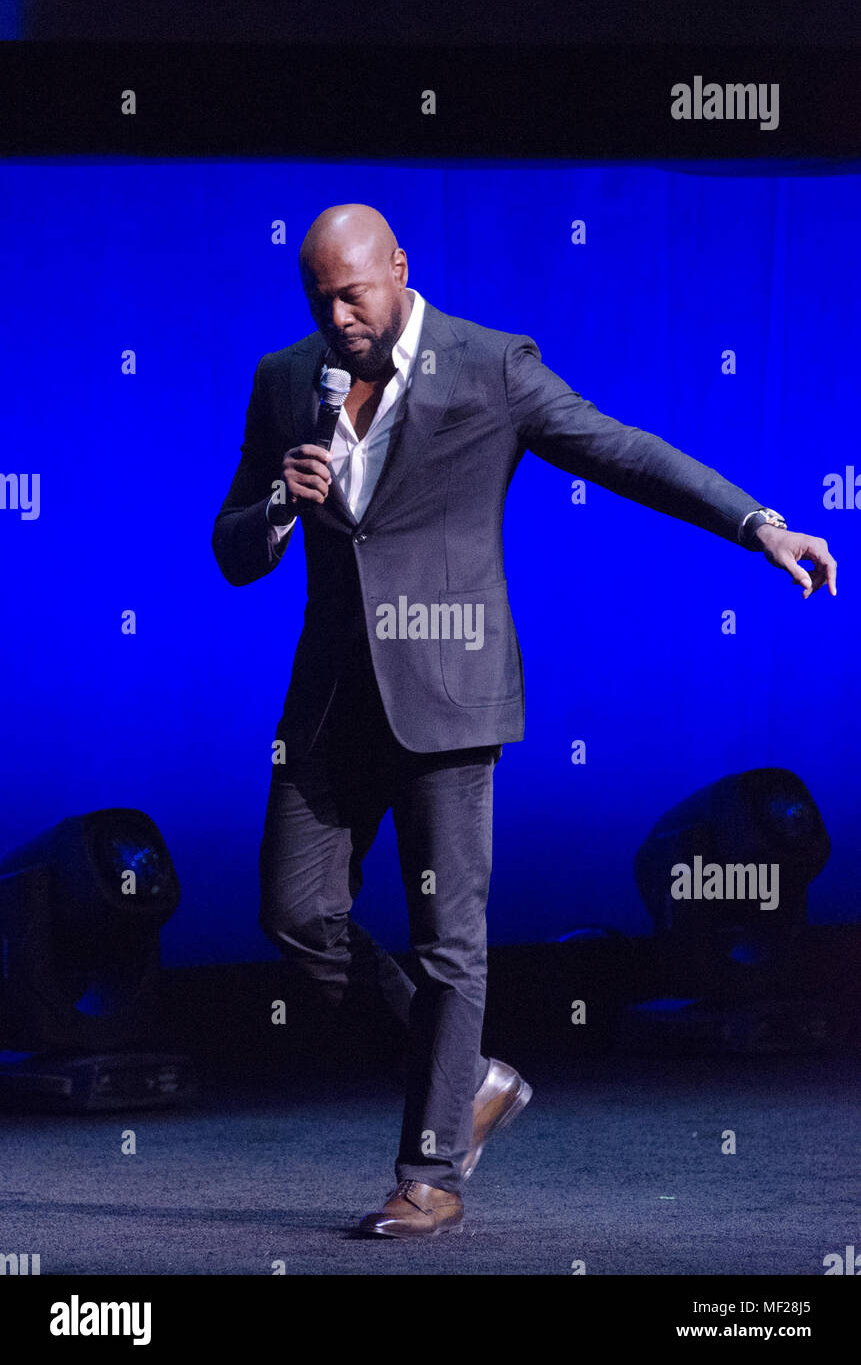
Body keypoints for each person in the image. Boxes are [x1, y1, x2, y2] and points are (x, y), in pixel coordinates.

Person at [212, 203, 837, 1239]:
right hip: (329, 701)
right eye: (319, 295)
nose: (338, 313)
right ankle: (470, 1081)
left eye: (353, 292)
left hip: (452, 694)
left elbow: (618, 449)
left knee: (451, 942)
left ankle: (432, 1172)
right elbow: (233, 551)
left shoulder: (490, 365)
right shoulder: (288, 379)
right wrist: (281, 504)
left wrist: (757, 522)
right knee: (294, 912)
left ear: (399, 270)